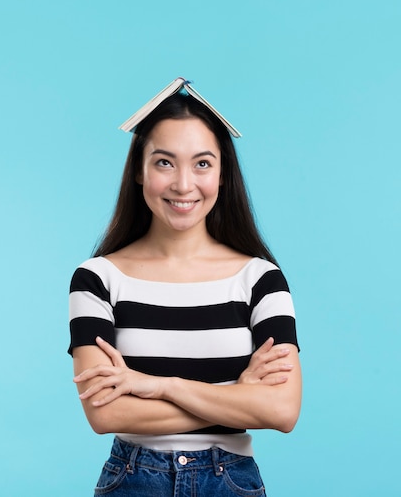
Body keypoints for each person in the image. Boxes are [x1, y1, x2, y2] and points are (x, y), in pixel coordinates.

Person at [68, 84, 301, 496]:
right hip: (133, 481)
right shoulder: (97, 280)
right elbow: (106, 414)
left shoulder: (261, 280)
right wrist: (239, 395)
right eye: (164, 162)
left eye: (202, 164)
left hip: (229, 482)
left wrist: (161, 386)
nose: (182, 184)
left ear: (222, 173)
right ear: (139, 170)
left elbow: (281, 410)